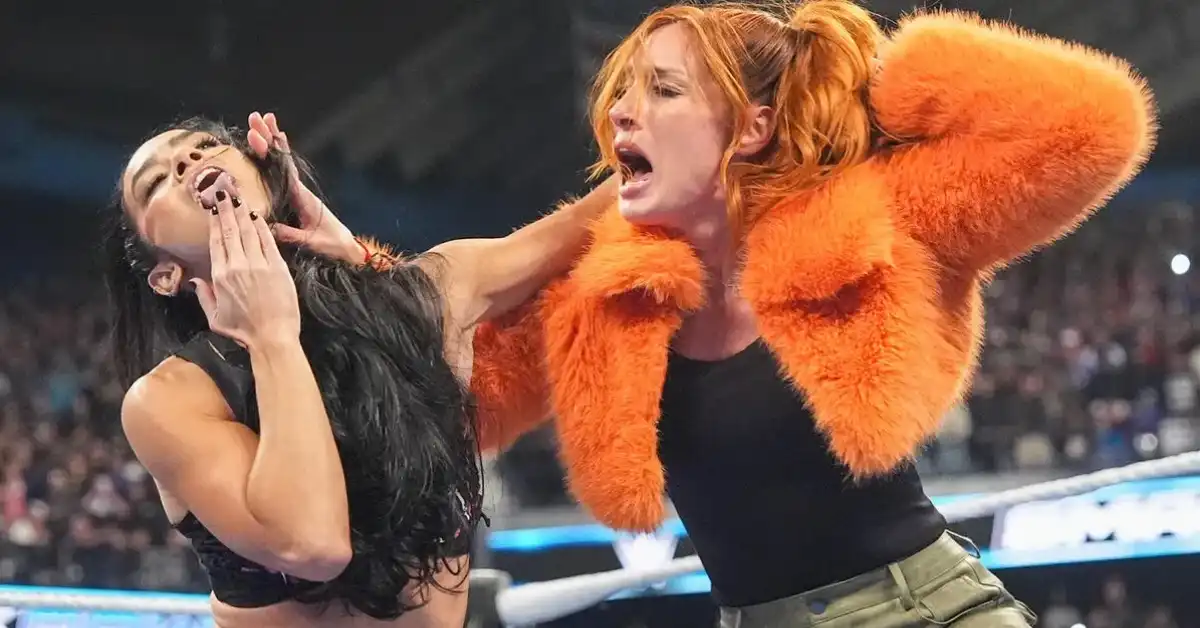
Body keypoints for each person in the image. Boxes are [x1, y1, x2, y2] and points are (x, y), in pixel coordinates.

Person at [466, 1, 1155, 626]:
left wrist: (862, 82)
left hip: (930, 612)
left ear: (752, 127)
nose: (620, 109)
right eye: (624, 89)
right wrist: (552, 238)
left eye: (664, 90)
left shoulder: (872, 216)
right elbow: (461, 395)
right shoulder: (601, 293)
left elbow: (1092, 127)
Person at [108, 112, 615, 627]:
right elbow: (313, 545)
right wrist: (270, 337)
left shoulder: (427, 298)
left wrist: (658, 110)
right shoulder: (169, 401)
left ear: (265, 174)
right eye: (156, 182)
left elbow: (606, 214)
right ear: (165, 274)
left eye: (203, 145)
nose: (189, 160)